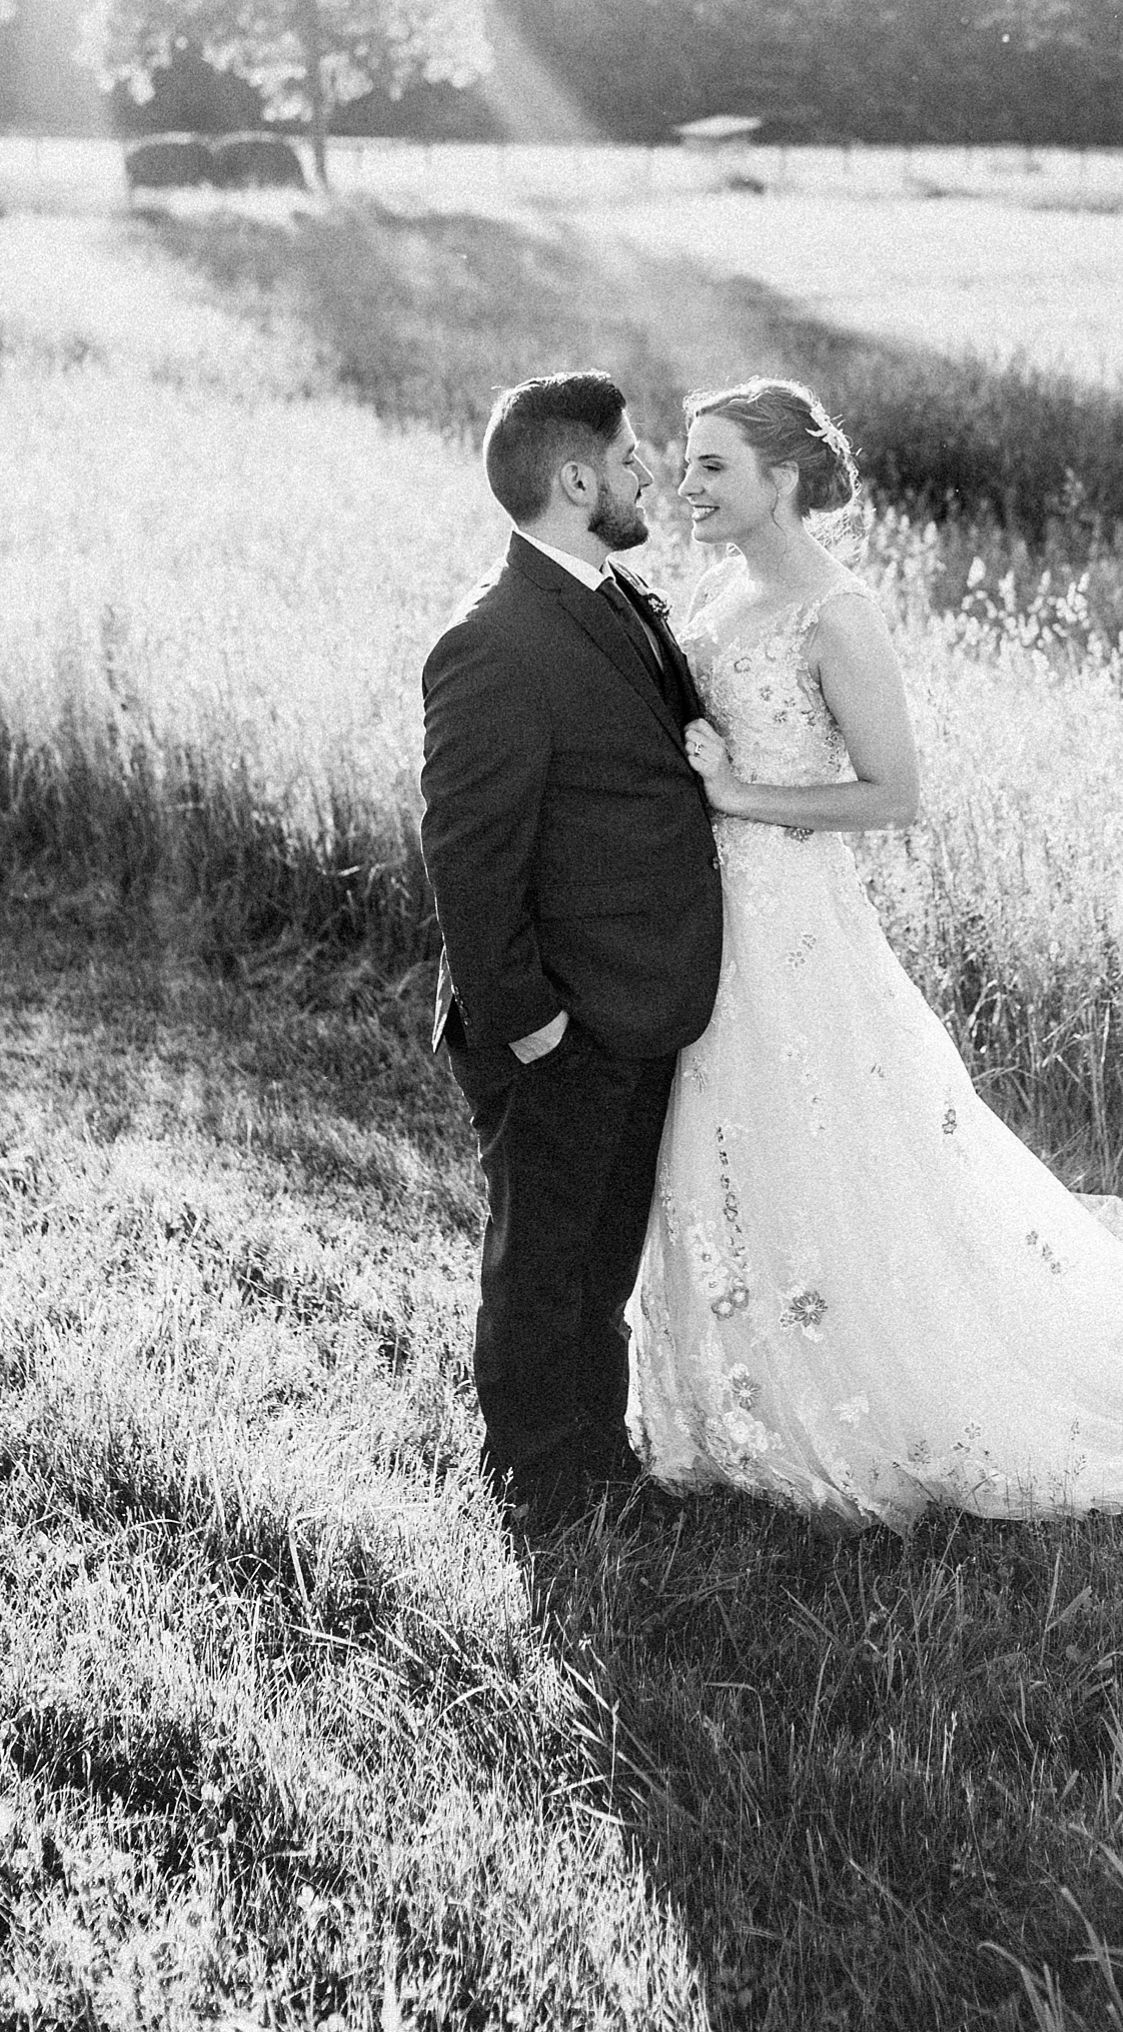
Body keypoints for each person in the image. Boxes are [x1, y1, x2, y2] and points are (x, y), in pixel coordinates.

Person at [630, 376, 1123, 1525]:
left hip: (796, 916)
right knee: (719, 1133)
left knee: (821, 1137)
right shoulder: (718, 586)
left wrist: (733, 790)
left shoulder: (835, 612)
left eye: (711, 465)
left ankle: (862, 1390)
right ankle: (727, 1392)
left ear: (781, 478)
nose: (686, 483)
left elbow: (893, 793)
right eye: (687, 463)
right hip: (712, 908)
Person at [419, 371, 722, 1530]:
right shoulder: (492, 641)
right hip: (556, 1017)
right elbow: (468, 853)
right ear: (576, 478)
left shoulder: (615, 595)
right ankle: (536, 1486)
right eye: (632, 451)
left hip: (636, 1000)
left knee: (597, 1260)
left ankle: (594, 1456)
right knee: (541, 1259)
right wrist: (528, 1017)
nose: (650, 469)